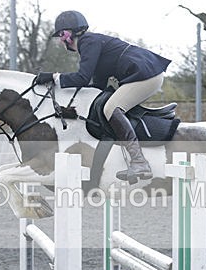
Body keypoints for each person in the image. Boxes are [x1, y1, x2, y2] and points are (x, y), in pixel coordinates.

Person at [36, 10, 171, 183]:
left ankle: (139, 162)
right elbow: (96, 85)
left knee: (112, 109)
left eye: (61, 35)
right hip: (145, 72)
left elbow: (82, 78)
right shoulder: (92, 44)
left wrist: (54, 77)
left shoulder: (88, 41)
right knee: (108, 106)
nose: (61, 40)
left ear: (69, 33)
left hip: (145, 74)